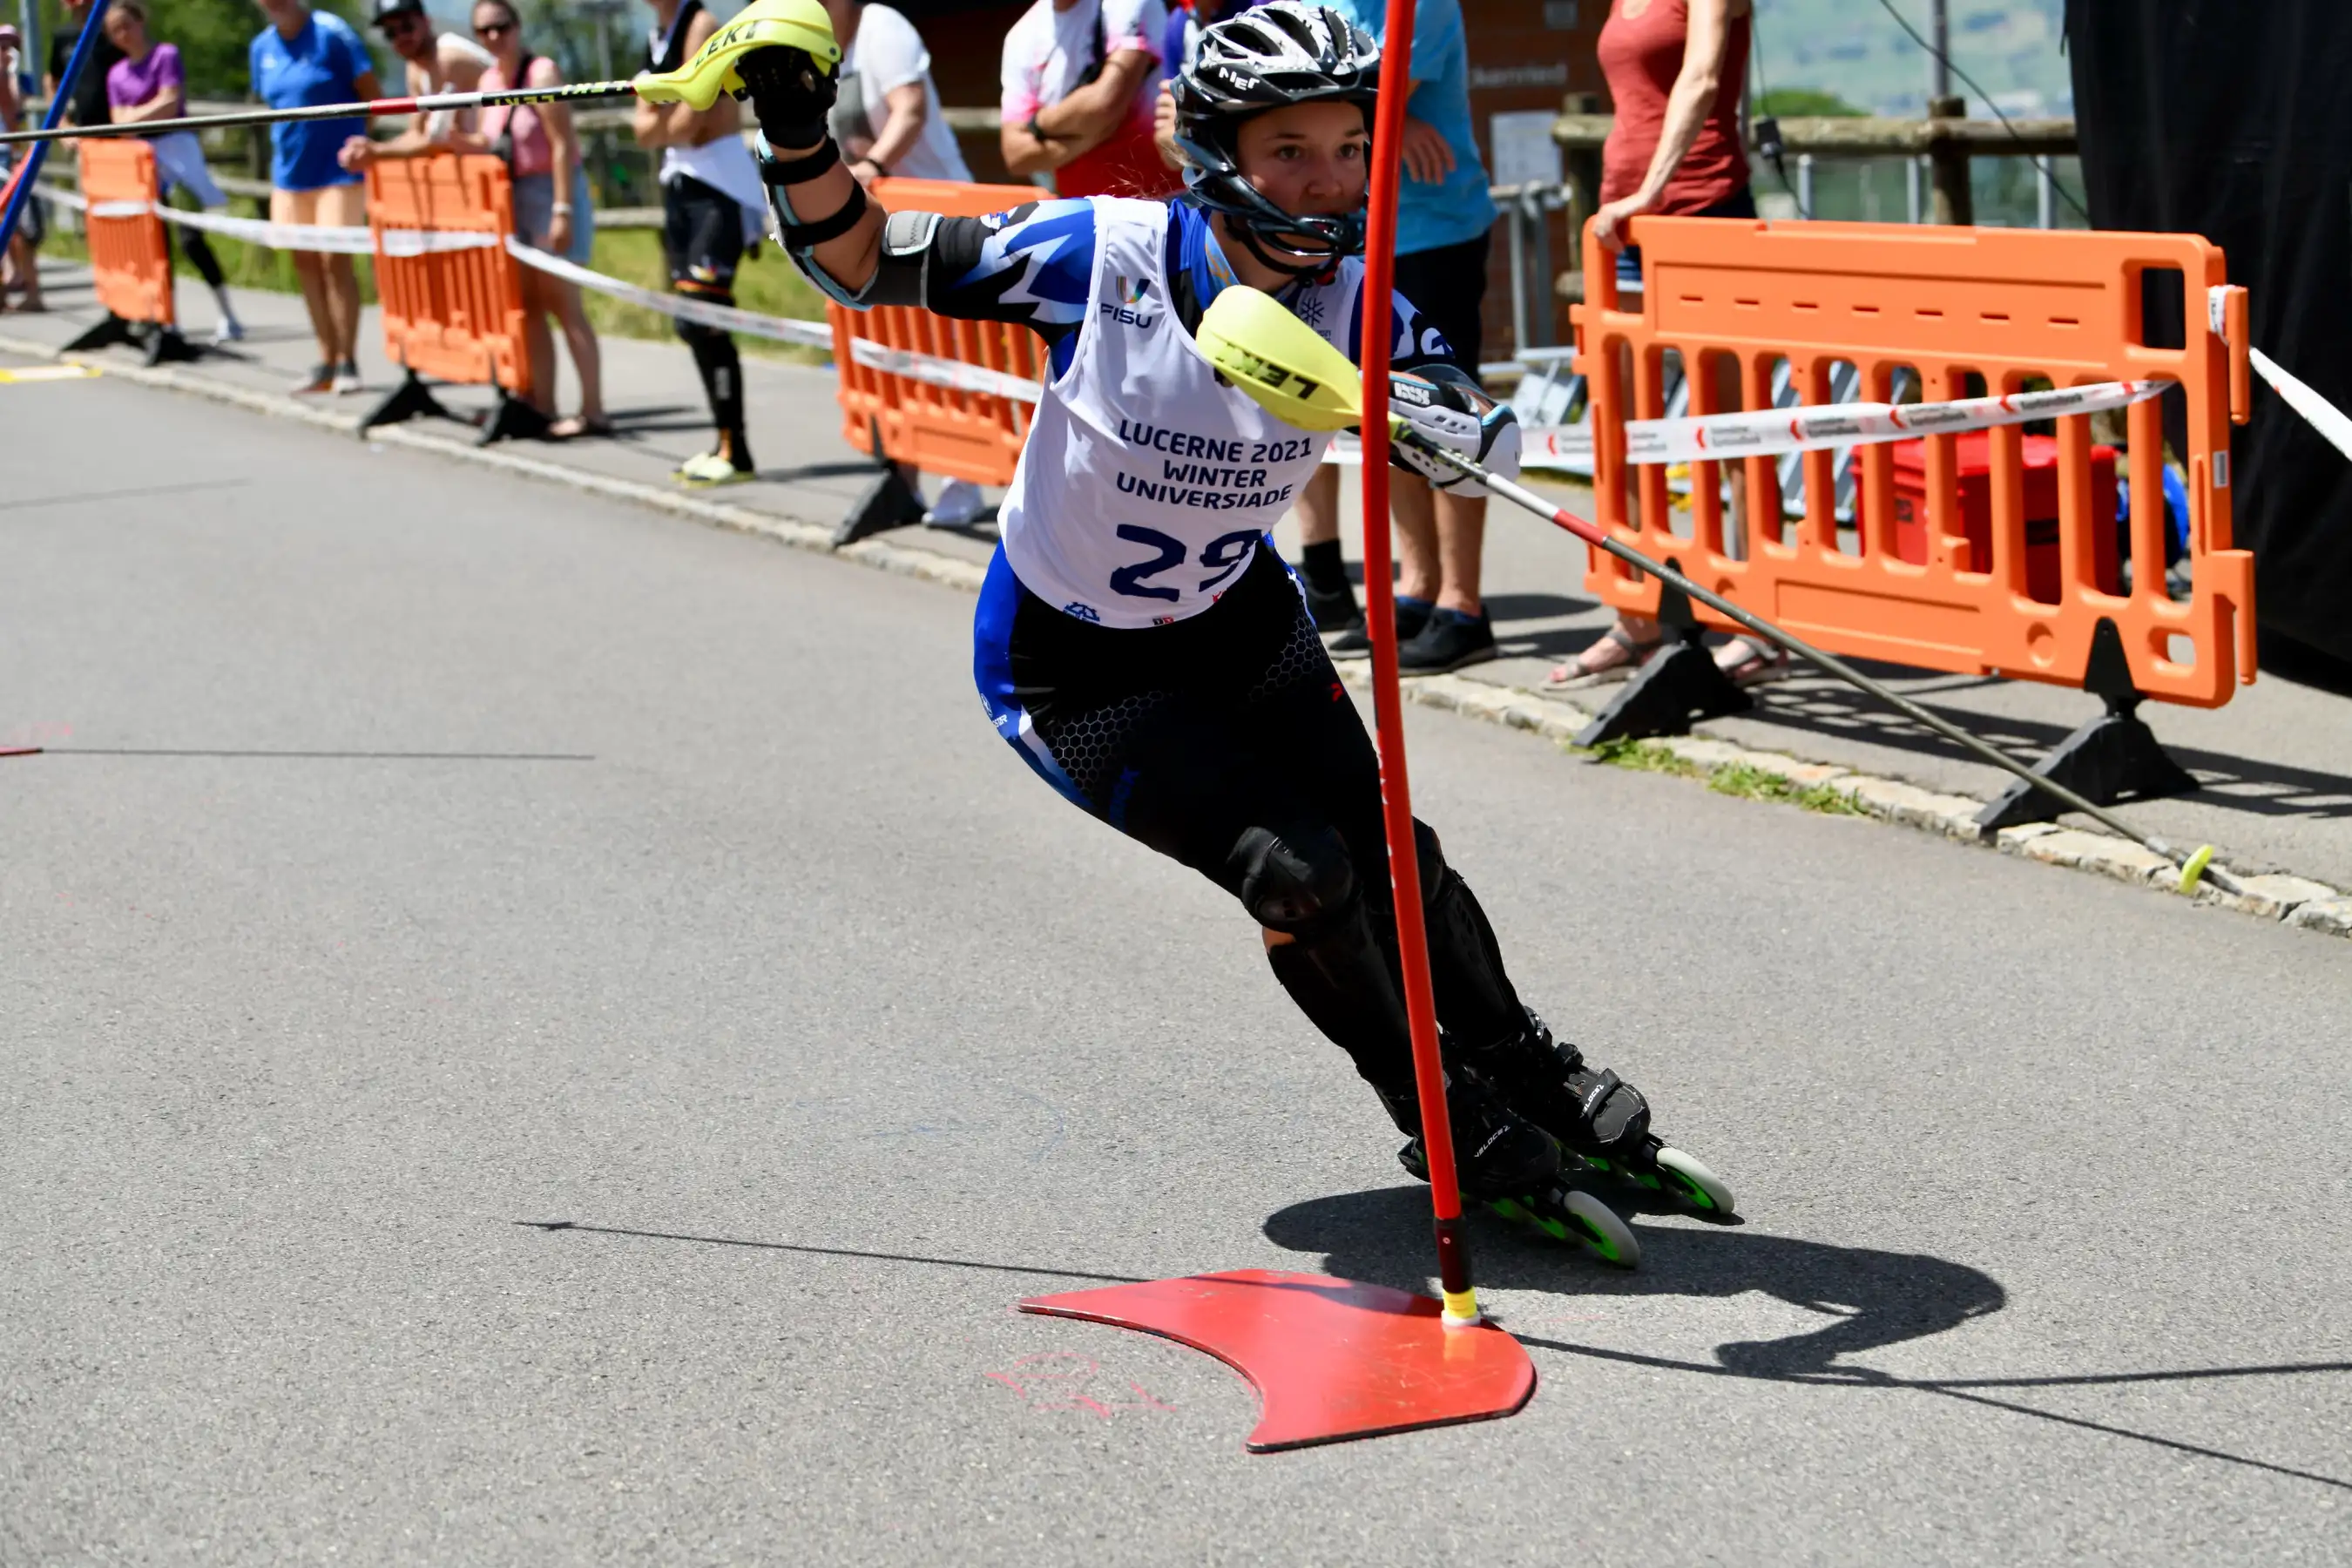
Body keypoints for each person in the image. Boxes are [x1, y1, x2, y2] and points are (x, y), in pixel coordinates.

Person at [736, 2, 1727, 1215]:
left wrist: (1412, 419)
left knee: (1393, 857)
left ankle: (1528, 1066)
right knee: (1303, 878)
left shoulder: (1362, 298)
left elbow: (1478, 434)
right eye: (1291, 152)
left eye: (1352, 149)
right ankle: (1439, 1115)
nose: (1328, 184)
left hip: (1238, 617)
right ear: (1222, 156)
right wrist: (794, 124)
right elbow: (859, 262)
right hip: (1077, 666)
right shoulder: (1106, 254)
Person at [1551, 0, 1781, 687]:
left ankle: (1753, 621)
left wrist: (1652, 188)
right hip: (1626, 223)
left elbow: (1703, 77)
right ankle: (1639, 616)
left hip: (1700, 209)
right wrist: (1630, 199)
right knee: (1621, 430)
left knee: (1735, 430)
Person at [1292, 0, 1497, 673]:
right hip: (1362, 233)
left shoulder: (1422, 4)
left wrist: (1390, 116)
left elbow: (1350, 105)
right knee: (1386, 414)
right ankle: (1419, 586)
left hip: (1435, 232)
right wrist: (1384, 121)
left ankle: (1464, 606)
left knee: (1447, 414)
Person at [819, 0, 986, 525]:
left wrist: (871, 166)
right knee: (895, 354)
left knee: (954, 353)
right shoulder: (818, 48)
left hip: (944, 218)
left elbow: (908, 109)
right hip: (883, 225)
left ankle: (965, 479)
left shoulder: (882, 28)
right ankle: (904, 476)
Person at [637, 0, 768, 487]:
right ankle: (723, 441)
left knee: (707, 318)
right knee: (690, 322)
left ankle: (737, 448)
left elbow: (691, 115)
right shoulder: (655, 36)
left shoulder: (702, 23)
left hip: (720, 188)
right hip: (680, 186)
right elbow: (643, 128)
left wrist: (667, 118)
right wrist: (669, 122)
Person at [469, 0, 607, 438]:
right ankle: (543, 402)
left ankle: (594, 410)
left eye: (501, 27)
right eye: (484, 31)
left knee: (565, 305)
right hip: (515, 199)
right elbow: (489, 139)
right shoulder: (488, 80)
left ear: (516, 26)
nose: (494, 37)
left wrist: (562, 209)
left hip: (552, 192)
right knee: (529, 307)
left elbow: (563, 143)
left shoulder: (541, 73)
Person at [250, 0, 381, 395]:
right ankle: (326, 358)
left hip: (337, 171)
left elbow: (370, 94)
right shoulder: (261, 48)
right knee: (305, 264)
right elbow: (271, 101)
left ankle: (348, 360)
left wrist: (355, 143)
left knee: (334, 262)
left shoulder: (332, 33)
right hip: (290, 174)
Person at [102, 0, 245, 343]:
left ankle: (227, 313)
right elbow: (119, 122)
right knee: (154, 242)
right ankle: (168, 317)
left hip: (177, 149)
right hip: (143, 157)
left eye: (127, 24)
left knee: (190, 238)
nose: (124, 34)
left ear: (140, 22)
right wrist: (140, 117)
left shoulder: (166, 55)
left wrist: (135, 117)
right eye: (116, 30)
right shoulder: (117, 75)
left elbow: (169, 102)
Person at [998, 0, 1182, 200]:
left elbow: (1104, 104)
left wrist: (1038, 124)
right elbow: (1016, 154)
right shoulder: (1021, 36)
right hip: (1084, 213)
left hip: (1164, 204)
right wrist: (1092, 136)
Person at [337, 0, 493, 172]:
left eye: (407, 27)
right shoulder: (415, 66)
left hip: (510, 163)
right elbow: (417, 134)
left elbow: (439, 141)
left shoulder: (448, 59)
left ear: (426, 22)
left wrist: (376, 151)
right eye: (390, 33)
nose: (401, 37)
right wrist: (370, 149)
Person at [1, 23, 42, 312]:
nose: (7, 52)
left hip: (14, 157)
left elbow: (18, 109)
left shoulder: (18, 78)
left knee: (26, 229)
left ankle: (31, 292)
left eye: (11, 46)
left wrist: (12, 74)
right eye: (2, 46)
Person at [44, 0, 125, 132]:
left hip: (122, 130)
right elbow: (51, 82)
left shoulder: (116, 33)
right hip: (83, 132)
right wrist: (63, 126)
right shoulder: (63, 36)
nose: (81, 6)